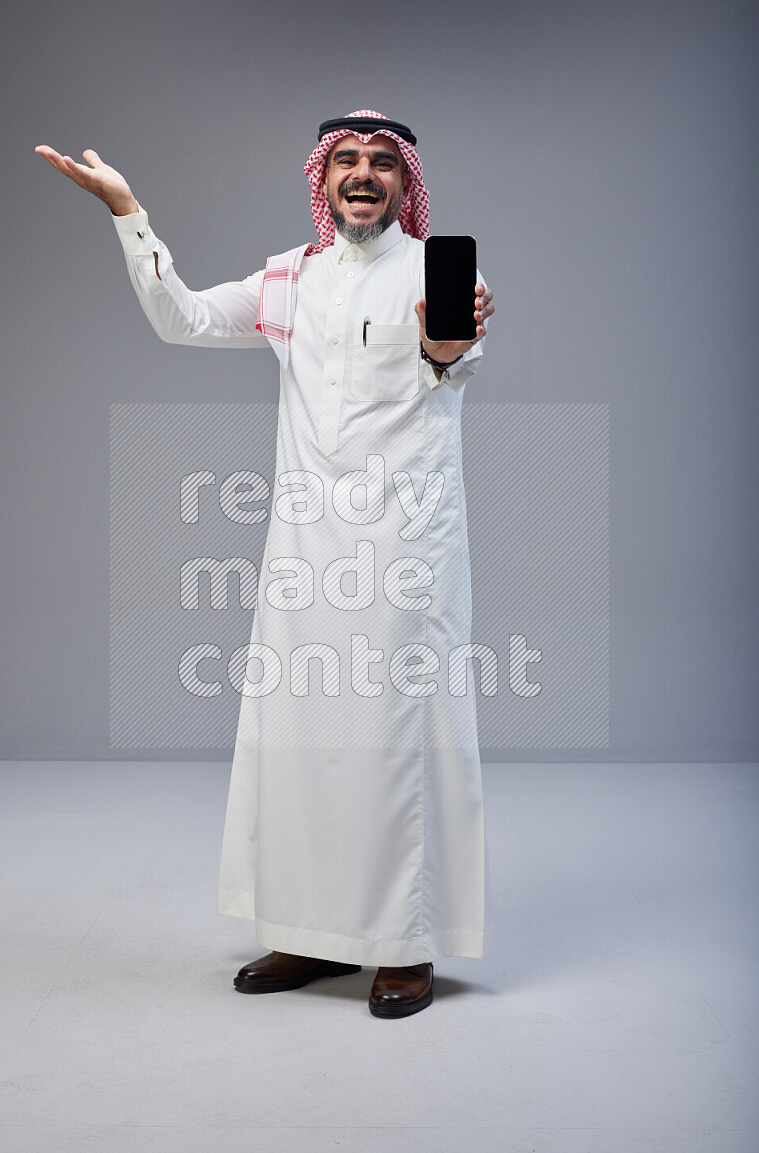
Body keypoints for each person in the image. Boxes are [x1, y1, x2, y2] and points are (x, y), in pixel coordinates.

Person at [35, 110, 495, 1019]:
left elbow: (455, 357)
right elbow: (184, 318)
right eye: (346, 162)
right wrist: (130, 213)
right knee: (299, 734)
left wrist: (445, 347)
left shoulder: (443, 275)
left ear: (405, 184)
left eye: (380, 164)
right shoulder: (290, 276)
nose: (362, 176)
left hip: (404, 546)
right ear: (322, 180)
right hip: (303, 545)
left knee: (393, 737)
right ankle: (309, 931)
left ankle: (403, 943)